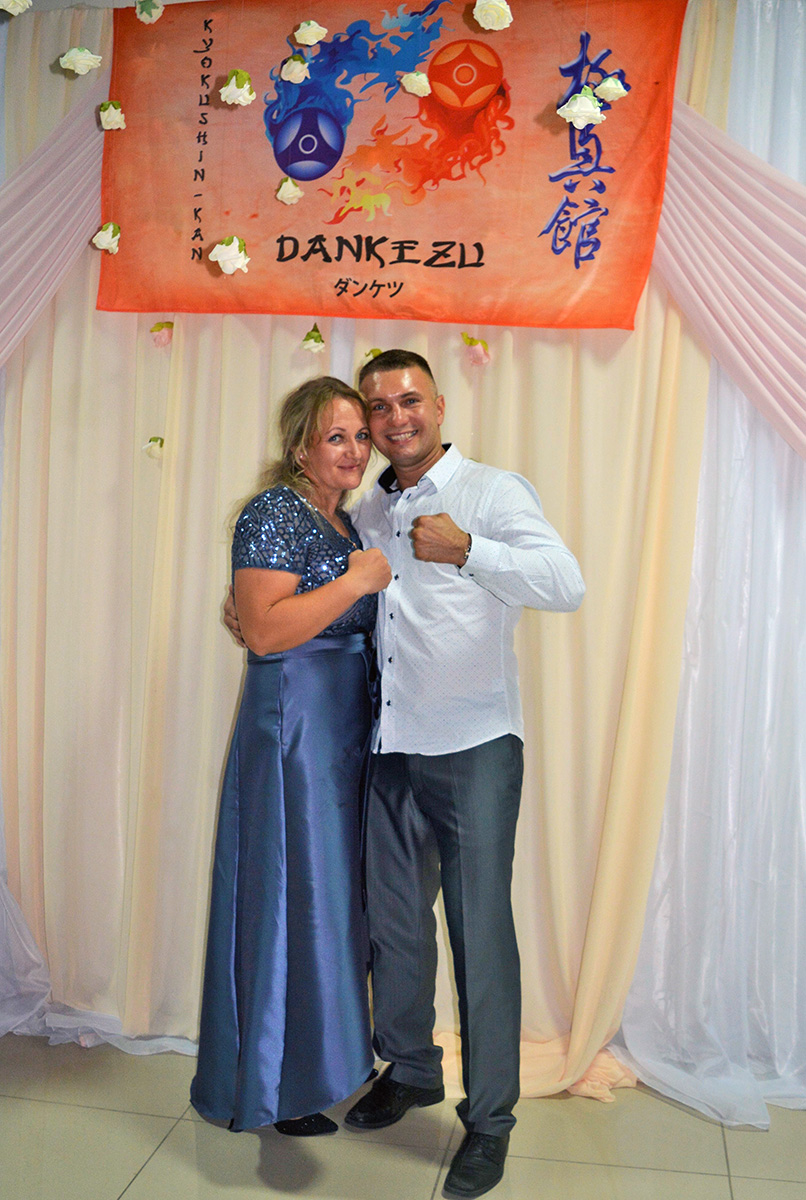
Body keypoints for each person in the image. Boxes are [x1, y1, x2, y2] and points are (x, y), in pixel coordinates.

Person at [339, 350, 585, 1200]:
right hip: (392, 745)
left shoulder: (492, 490)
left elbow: (566, 583)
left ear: (439, 406)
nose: (395, 418)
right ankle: (410, 1070)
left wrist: (470, 548)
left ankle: (490, 1122)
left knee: (480, 935)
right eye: (379, 407)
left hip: (476, 745)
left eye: (409, 400)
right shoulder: (369, 508)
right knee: (396, 927)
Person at [191, 376, 391, 1137]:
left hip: (344, 728)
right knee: (290, 894)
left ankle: (318, 1066)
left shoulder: (345, 520)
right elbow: (266, 631)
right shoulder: (274, 511)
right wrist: (356, 581)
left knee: (330, 899)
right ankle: (276, 1083)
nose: (354, 450)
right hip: (296, 729)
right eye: (336, 437)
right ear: (301, 446)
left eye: (360, 436)